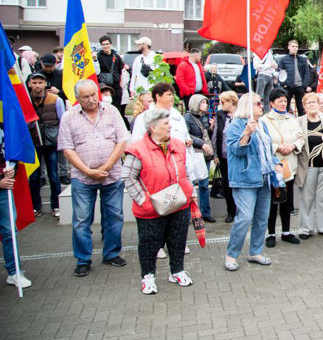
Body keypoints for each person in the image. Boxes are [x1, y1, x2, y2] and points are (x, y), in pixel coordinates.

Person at [57, 79, 130, 277]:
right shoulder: (69, 117)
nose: (91, 100)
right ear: (77, 98)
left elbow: (122, 140)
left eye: (93, 95)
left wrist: (105, 167)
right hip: (82, 177)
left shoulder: (112, 111)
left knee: (114, 216)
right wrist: (88, 171)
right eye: (85, 97)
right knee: (81, 220)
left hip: (112, 174)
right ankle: (83, 259)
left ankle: (112, 253)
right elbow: (67, 149)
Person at [122, 108, 196, 294]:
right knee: (149, 243)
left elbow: (185, 170)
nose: (170, 126)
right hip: (151, 208)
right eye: (166, 123)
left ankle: (177, 271)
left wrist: (189, 191)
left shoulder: (178, 145)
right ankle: (148, 277)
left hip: (178, 203)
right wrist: (144, 201)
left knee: (177, 240)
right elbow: (128, 177)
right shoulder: (137, 149)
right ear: (153, 127)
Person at [224, 93, 283, 271]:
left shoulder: (262, 124)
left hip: (264, 178)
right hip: (245, 180)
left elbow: (266, 150)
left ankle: (255, 252)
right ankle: (231, 255)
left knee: (261, 218)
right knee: (244, 218)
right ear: (247, 106)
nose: (261, 105)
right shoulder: (236, 125)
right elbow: (235, 151)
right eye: (258, 103)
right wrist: (246, 134)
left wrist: (275, 162)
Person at [261, 88, 304, 248]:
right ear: (271, 103)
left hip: (290, 166)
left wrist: (293, 146)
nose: (283, 103)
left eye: (285, 100)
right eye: (279, 100)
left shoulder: (292, 119)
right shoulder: (264, 120)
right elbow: (262, 141)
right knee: (273, 202)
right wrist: (277, 147)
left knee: (287, 201)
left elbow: (301, 137)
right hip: (274, 167)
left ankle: (286, 232)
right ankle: (271, 233)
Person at [295, 93, 323, 239]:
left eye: (314, 102)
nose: (312, 105)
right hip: (308, 166)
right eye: (308, 103)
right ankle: (305, 229)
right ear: (304, 106)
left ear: (320, 104)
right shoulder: (299, 121)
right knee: (307, 198)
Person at [26, 72, 64, 218]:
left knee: (54, 175)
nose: (37, 86)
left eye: (40, 82)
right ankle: (35, 207)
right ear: (29, 84)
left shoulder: (55, 100)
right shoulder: (25, 100)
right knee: (34, 177)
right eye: (34, 82)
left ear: (45, 84)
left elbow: (62, 121)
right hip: (32, 144)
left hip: (50, 143)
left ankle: (56, 206)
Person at [1, 131, 32, 289]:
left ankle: (14, 272)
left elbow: (11, 152)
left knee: (9, 231)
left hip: (4, 190)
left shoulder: (5, 127)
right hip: (2, 185)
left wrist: (12, 169)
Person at [184, 94, 215, 223]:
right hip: (195, 154)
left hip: (205, 155)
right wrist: (200, 143)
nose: (206, 105)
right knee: (191, 185)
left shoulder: (204, 118)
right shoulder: (187, 118)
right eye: (203, 103)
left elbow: (207, 134)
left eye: (206, 103)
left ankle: (205, 213)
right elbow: (186, 135)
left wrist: (212, 127)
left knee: (204, 184)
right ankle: (193, 214)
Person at [212, 91, 239, 223]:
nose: (221, 105)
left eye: (223, 102)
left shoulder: (240, 116)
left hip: (238, 157)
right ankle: (231, 211)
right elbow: (216, 135)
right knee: (227, 185)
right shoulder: (221, 116)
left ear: (231, 102)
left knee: (239, 185)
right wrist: (215, 154)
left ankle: (240, 211)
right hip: (224, 157)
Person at [278, 40, 311, 116]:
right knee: (285, 107)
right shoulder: (283, 59)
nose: (295, 48)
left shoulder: (303, 59)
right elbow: (280, 73)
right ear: (289, 47)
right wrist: (284, 84)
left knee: (301, 108)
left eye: (296, 46)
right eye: (293, 46)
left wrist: (304, 86)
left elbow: (307, 73)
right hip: (288, 87)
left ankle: (301, 125)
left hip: (300, 87)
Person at [97, 36, 126, 118]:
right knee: (105, 108)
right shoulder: (99, 56)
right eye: (103, 44)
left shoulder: (116, 56)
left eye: (107, 44)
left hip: (116, 86)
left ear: (110, 44)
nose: (105, 46)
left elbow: (120, 71)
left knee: (117, 108)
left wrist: (120, 85)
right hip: (105, 86)